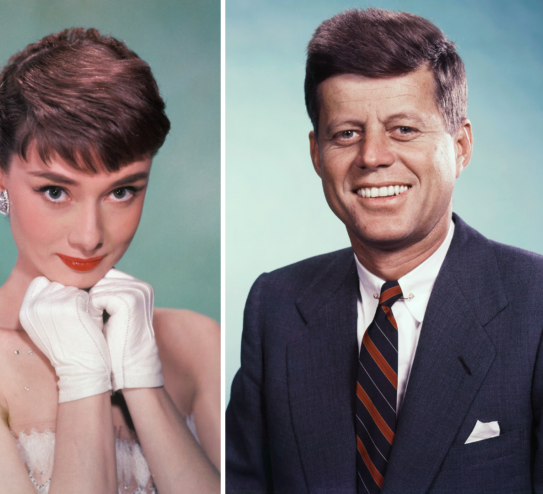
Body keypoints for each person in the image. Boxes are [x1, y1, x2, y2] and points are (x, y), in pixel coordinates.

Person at [226, 8, 543, 493]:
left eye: (404, 130)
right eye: (347, 133)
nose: (372, 156)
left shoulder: (534, 302)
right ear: (317, 154)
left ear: (460, 146)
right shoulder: (277, 305)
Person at [0, 28, 220, 494]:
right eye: (55, 191)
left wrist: (141, 381)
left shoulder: (197, 342)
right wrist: (83, 374)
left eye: (121, 191)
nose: (89, 236)